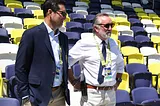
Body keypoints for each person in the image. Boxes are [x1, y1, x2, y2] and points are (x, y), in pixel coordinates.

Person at [15, 0, 70, 106]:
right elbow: (20, 67)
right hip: (37, 95)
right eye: (62, 13)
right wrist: (26, 96)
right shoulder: (31, 35)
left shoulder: (64, 38)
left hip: (59, 94)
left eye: (65, 14)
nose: (65, 17)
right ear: (50, 12)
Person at [68, 13, 124, 106]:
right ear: (96, 28)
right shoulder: (84, 43)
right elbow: (67, 62)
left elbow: (120, 64)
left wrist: (118, 81)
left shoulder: (113, 43)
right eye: (106, 26)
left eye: (111, 25)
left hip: (110, 94)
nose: (110, 28)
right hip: (92, 94)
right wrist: (73, 82)